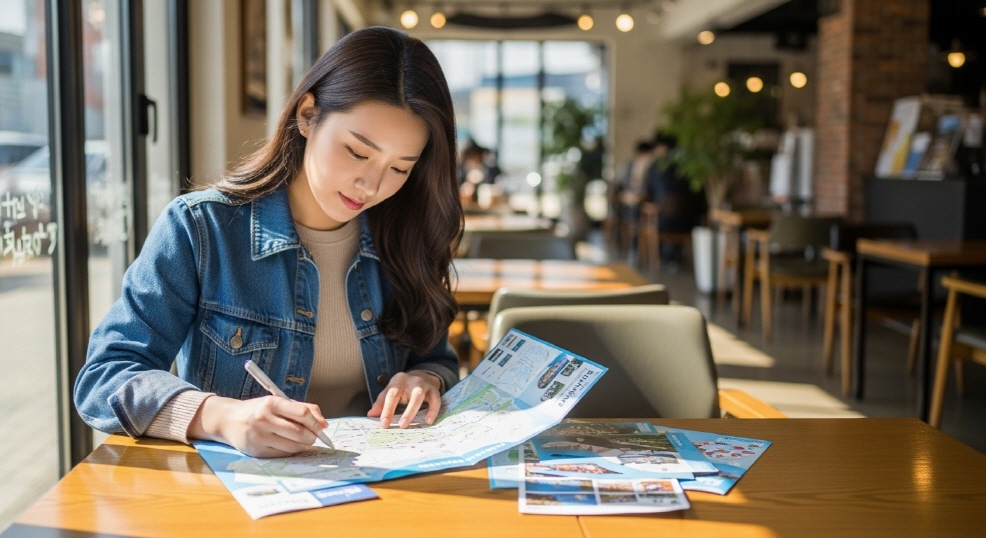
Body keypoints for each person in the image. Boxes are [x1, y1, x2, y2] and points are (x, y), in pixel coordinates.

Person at [73, 27, 463, 458]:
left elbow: (438, 357)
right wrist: (218, 417)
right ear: (308, 114)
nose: (370, 185)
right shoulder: (203, 230)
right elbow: (104, 377)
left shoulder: (404, 235)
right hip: (242, 503)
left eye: (400, 169)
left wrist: (426, 378)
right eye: (357, 152)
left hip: (383, 492)